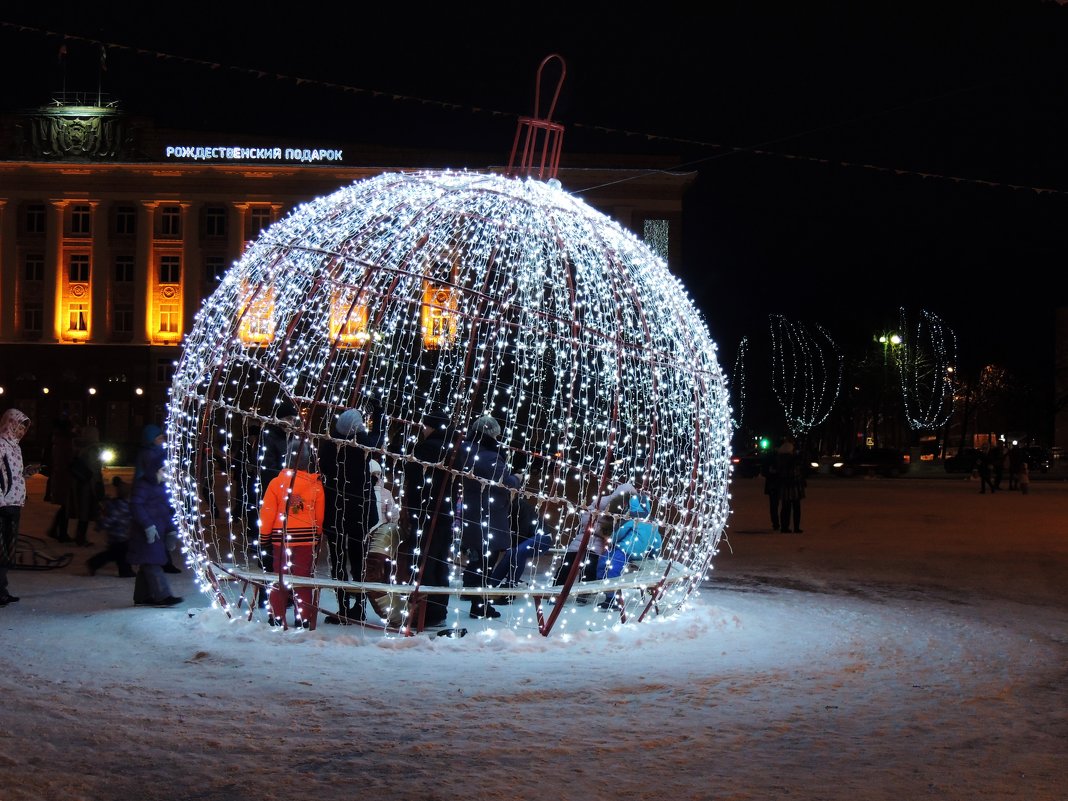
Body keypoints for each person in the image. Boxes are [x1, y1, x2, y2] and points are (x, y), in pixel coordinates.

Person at [400, 408, 475, 627]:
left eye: (425, 426)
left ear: (431, 426)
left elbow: (413, 475)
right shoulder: (455, 449)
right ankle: (438, 610)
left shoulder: (426, 449)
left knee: (423, 562)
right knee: (440, 562)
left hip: (425, 512)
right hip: (445, 513)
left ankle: (424, 613)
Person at [318, 402, 385, 623]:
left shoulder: (328, 445)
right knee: (358, 558)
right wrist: (378, 411)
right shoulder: (364, 445)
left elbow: (323, 470)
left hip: (336, 508)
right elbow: (377, 436)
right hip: (360, 510)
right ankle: (359, 606)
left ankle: (343, 606)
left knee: (337, 559)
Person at [259, 440, 325, 628]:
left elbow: (268, 512)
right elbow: (319, 515)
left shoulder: (277, 483)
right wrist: (316, 535)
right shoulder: (315, 484)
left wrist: (264, 537)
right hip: (307, 539)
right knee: (303, 579)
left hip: (281, 537)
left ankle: (277, 615)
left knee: (280, 576)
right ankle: (302, 617)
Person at [458, 415, 516, 619]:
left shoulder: (467, 449)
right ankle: (480, 605)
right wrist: (516, 478)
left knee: (477, 559)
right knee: (485, 563)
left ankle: (474, 597)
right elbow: (504, 482)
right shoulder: (489, 455)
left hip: (474, 513)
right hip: (490, 515)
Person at [553, 481, 636, 604]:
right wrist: (602, 530)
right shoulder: (603, 501)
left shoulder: (626, 509)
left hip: (598, 544)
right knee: (568, 565)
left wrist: (609, 533)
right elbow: (587, 518)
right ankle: (556, 592)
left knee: (589, 568)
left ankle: (583, 594)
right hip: (585, 538)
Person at [126, 427, 183, 607]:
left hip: (155, 533)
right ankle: (163, 595)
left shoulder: (160, 489)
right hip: (145, 534)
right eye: (163, 470)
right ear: (154, 470)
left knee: (147, 565)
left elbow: (164, 512)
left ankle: (142, 596)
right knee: (153, 565)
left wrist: (171, 530)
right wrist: (147, 525)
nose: (166, 474)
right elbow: (136, 505)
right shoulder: (144, 486)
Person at [595, 494, 663, 610]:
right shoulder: (653, 522)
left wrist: (613, 540)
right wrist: (654, 554)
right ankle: (611, 594)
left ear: (631, 504)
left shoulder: (631, 518)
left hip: (624, 549)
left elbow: (620, 532)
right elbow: (657, 540)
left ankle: (611, 598)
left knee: (609, 567)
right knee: (611, 567)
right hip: (639, 554)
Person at [1, 409, 36, 607]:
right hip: (3, 506)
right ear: (10, 423)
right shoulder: (0, 444)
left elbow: (12, 475)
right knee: (1, 551)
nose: (22, 431)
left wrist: (26, 474)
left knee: (8, 552)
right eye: (19, 426)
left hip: (14, 503)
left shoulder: (15, 447)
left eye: (24, 428)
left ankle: (2, 589)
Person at [364, 459, 405, 627]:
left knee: (369, 569)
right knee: (385, 570)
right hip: (384, 537)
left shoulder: (364, 490)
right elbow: (394, 514)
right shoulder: (386, 493)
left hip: (369, 536)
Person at [87, 477, 135, 577]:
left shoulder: (125, 505)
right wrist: (101, 525)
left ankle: (94, 563)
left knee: (114, 554)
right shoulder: (120, 506)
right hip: (118, 535)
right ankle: (125, 571)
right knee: (121, 554)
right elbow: (111, 518)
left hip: (122, 534)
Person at [68, 426, 105, 547]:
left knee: (83, 511)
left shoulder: (81, 447)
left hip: (80, 482)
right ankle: (81, 537)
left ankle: (80, 536)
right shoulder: (92, 450)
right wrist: (97, 487)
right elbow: (94, 469)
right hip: (88, 485)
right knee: (85, 512)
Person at [44, 417, 76, 543]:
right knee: (66, 506)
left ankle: (57, 531)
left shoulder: (57, 439)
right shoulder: (65, 441)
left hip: (60, 475)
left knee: (65, 506)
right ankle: (61, 532)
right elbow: (67, 459)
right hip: (64, 476)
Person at [776, 436, 806, 533]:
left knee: (785, 508)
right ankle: (796, 527)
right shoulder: (793, 460)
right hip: (794, 486)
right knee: (796, 508)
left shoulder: (780, 460)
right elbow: (797, 472)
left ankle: (784, 527)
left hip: (785, 486)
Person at [760, 446, 781, 531]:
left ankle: (776, 523)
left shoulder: (769, 457)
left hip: (773, 483)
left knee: (774, 505)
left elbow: (764, 471)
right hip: (776, 483)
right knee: (775, 505)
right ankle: (777, 524)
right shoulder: (774, 457)